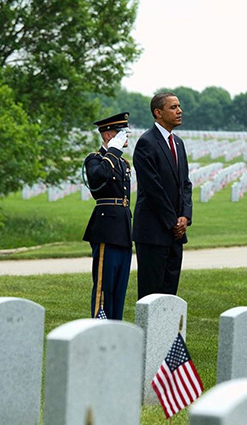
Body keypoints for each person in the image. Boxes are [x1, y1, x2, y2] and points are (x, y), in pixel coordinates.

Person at [133, 92, 193, 300]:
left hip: (175, 232)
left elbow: (185, 184)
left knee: (169, 295)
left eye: (179, 106)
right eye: (173, 107)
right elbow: (153, 189)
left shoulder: (178, 143)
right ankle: (149, 334)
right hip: (154, 231)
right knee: (151, 294)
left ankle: (167, 334)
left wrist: (185, 216)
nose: (179, 111)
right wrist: (172, 222)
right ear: (158, 113)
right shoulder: (146, 143)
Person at [82, 112, 133, 320]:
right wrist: (112, 150)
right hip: (106, 228)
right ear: (108, 135)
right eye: (122, 134)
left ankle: (115, 327)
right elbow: (97, 178)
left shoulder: (123, 163)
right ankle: (99, 325)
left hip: (122, 229)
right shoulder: (95, 159)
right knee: (104, 286)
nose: (126, 138)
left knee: (120, 288)